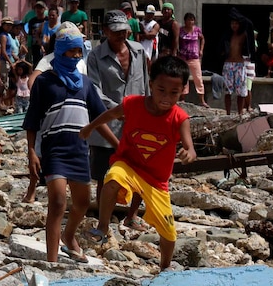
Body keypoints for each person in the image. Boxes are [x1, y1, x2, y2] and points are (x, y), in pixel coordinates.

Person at [81, 56, 197, 271]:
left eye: (174, 93)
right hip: (128, 164)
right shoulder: (133, 104)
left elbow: (190, 146)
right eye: (161, 90)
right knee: (112, 179)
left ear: (183, 90)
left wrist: (189, 153)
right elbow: (109, 115)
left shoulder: (180, 118)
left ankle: (165, 268)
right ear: (151, 85)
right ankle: (103, 227)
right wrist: (90, 127)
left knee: (169, 234)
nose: (166, 97)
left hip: (156, 181)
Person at [22, 25, 114, 264]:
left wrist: (118, 144)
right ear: (60, 50)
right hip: (54, 151)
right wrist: (32, 152)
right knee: (57, 202)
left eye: (78, 51)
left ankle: (69, 235)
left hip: (79, 151)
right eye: (71, 51)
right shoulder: (44, 82)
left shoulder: (85, 83)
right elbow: (32, 121)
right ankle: (52, 262)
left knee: (82, 203)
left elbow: (99, 118)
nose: (75, 56)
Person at [85, 10, 149, 228]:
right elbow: (95, 91)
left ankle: (132, 216)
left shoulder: (138, 51)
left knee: (140, 171)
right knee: (105, 174)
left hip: (137, 121)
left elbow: (145, 85)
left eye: (124, 31)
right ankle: (103, 219)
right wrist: (118, 110)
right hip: (108, 123)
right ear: (105, 31)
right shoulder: (95, 56)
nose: (121, 35)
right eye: (116, 31)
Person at [223, 8, 256, 115]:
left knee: (241, 91)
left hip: (240, 65)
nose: (234, 26)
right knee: (227, 90)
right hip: (228, 64)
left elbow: (249, 24)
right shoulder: (227, 36)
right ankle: (228, 113)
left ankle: (240, 112)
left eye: (236, 23)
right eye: (232, 23)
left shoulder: (244, 35)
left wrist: (238, 16)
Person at [179, 12, 206, 106]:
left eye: (192, 20)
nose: (190, 22)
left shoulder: (197, 30)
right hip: (183, 57)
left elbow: (202, 39)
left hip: (194, 57)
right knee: (184, 78)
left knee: (198, 78)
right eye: (188, 20)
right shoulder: (181, 30)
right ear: (185, 21)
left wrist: (201, 50)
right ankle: (182, 98)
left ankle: (202, 100)